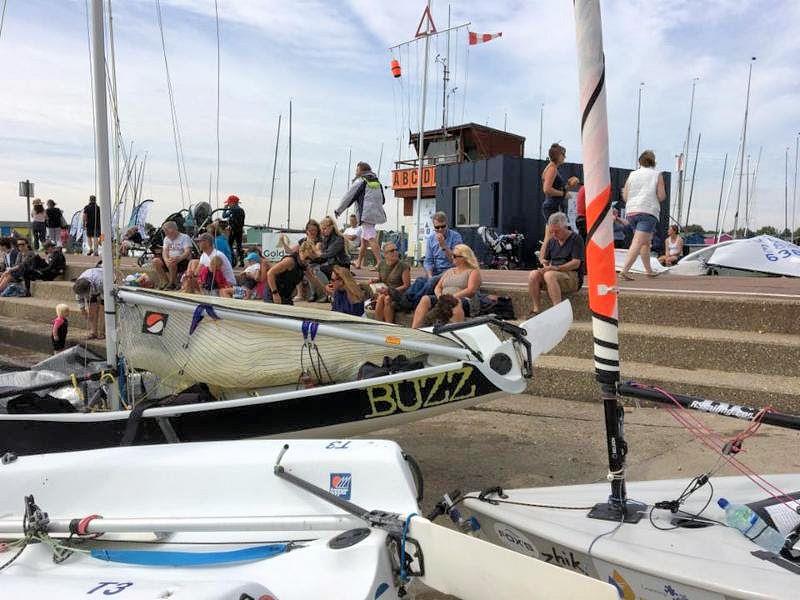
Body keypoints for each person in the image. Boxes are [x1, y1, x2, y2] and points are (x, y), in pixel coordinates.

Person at [619, 150, 667, 280]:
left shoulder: (632, 174)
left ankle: (648, 270)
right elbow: (662, 196)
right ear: (653, 161)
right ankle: (624, 271)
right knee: (638, 242)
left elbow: (625, 195)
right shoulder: (657, 175)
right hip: (648, 211)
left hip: (631, 211)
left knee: (645, 242)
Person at [527, 212, 584, 315]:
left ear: (565, 227)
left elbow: (576, 263)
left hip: (572, 275)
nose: (554, 235)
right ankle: (536, 309)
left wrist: (556, 268)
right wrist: (544, 265)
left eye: (556, 231)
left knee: (549, 275)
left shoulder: (576, 239)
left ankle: (557, 310)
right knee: (533, 274)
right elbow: (545, 259)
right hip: (555, 272)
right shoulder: (552, 240)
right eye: (551, 232)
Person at [412, 244, 481, 328]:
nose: (452, 257)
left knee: (455, 302)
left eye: (455, 256)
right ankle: (415, 329)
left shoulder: (473, 272)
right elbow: (438, 287)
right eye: (452, 255)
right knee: (425, 299)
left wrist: (451, 297)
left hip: (463, 300)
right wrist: (440, 296)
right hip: (443, 300)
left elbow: (471, 290)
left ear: (464, 258)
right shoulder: (449, 271)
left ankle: (456, 331)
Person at [334, 162, 386, 269]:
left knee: (370, 237)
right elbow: (383, 200)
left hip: (365, 214)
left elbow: (348, 197)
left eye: (357, 170)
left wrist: (338, 210)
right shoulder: (377, 182)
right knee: (364, 239)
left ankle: (380, 261)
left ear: (362, 171)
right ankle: (358, 262)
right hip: (375, 214)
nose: (356, 172)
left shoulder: (360, 182)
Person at [540, 143, 569, 265]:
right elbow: (547, 189)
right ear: (558, 155)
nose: (565, 157)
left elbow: (556, 188)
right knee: (556, 234)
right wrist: (563, 194)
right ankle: (548, 260)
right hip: (553, 206)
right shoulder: (552, 169)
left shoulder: (550, 168)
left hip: (551, 205)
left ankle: (544, 261)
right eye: (564, 155)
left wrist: (568, 186)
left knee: (549, 235)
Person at [266, 240, 320, 305]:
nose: (308, 261)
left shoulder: (304, 265)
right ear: (300, 252)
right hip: (274, 294)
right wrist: (275, 293)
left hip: (286, 296)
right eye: (306, 258)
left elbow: (313, 279)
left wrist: (326, 291)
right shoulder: (290, 261)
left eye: (311, 260)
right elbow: (270, 273)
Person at [372, 241, 411, 323]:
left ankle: (388, 324)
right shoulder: (381, 264)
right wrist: (374, 281)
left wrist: (390, 291)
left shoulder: (403, 266)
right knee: (381, 297)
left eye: (396, 250)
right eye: (392, 251)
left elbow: (406, 286)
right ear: (385, 254)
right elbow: (380, 279)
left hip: (398, 294)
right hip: (384, 292)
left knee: (387, 298)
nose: (395, 252)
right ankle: (378, 323)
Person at [152, 221, 193, 290]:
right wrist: (166, 260)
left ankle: (172, 283)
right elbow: (164, 252)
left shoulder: (185, 237)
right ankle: (165, 282)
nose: (165, 233)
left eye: (166, 231)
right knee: (155, 261)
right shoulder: (166, 238)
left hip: (182, 260)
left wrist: (179, 258)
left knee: (172, 261)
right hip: (170, 260)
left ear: (173, 229)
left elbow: (187, 252)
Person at [423, 211, 463, 278]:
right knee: (419, 281)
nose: (440, 229)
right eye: (437, 227)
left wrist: (443, 245)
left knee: (433, 281)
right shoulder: (431, 239)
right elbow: (428, 261)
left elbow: (456, 260)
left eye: (443, 226)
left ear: (446, 225)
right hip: (435, 271)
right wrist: (430, 275)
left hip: (450, 270)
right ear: (434, 227)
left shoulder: (456, 237)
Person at [73, 266, 104, 339]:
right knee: (92, 310)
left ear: (89, 289)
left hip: (105, 282)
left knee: (102, 310)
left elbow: (103, 301)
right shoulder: (79, 284)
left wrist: (101, 305)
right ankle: (93, 332)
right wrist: (83, 309)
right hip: (92, 284)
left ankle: (102, 332)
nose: (83, 296)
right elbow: (79, 296)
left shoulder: (100, 282)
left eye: (85, 294)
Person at [222, 195, 246, 267]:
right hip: (240, 230)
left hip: (233, 230)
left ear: (233, 203)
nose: (228, 205)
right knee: (239, 245)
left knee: (229, 244)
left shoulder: (233, 210)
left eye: (229, 203)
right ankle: (241, 261)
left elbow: (224, 215)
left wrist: (225, 209)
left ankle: (232, 259)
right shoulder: (241, 210)